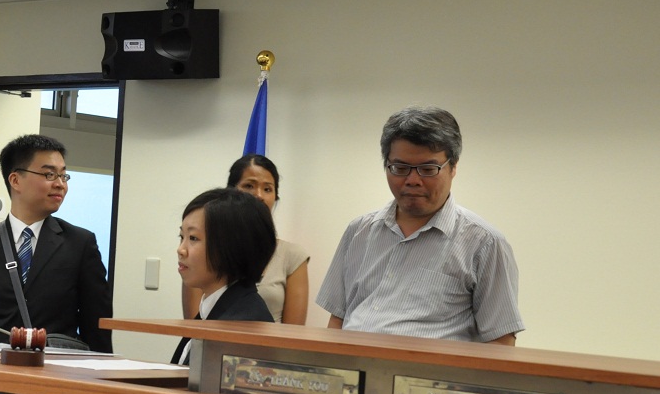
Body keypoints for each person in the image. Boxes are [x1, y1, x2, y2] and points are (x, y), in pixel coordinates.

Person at [315, 106, 523, 345]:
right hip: (353, 365)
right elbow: (337, 319)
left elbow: (500, 341)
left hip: (429, 369)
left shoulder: (484, 243)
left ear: (453, 167)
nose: (412, 180)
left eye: (428, 169)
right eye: (400, 168)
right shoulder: (358, 231)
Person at [0, 134, 112, 352]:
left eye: (63, 176)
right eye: (49, 174)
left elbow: (97, 324)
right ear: (15, 180)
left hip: (54, 364)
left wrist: (101, 367)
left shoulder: (80, 243)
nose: (60, 184)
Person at [181, 154, 309, 325]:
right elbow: (196, 329)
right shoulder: (200, 256)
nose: (259, 195)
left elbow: (293, 332)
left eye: (267, 189)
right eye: (249, 186)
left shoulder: (292, 255)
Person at [171, 187, 276, 365]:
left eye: (193, 238)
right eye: (182, 237)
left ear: (232, 246)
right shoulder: (217, 308)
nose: (181, 249)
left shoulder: (242, 325)